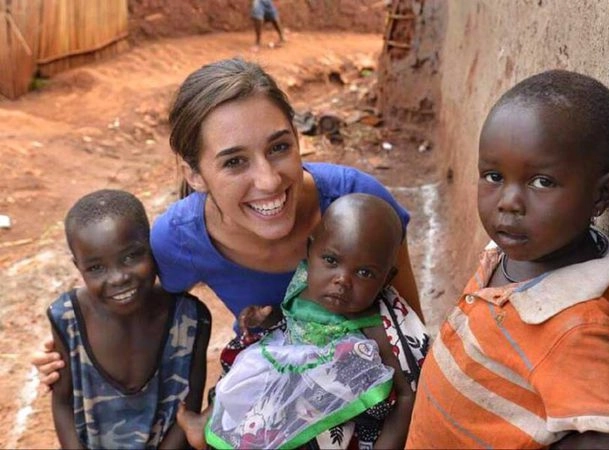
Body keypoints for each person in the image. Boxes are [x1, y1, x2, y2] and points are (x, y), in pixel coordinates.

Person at [33, 58, 422, 402]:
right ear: (194, 174)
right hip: (272, 392)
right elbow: (134, 302)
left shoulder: (361, 208)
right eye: (234, 162)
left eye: (279, 148)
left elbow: (412, 326)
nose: (268, 181)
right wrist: (71, 341)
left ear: (297, 137)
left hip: (371, 391)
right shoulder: (180, 240)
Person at [405, 69, 609, 449]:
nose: (508, 202)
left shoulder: (572, 328)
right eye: (493, 176)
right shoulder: (508, 253)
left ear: (602, 194)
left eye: (542, 182)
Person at [177, 193, 429, 449]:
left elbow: (407, 396)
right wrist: (266, 318)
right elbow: (292, 320)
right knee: (243, 368)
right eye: (331, 260)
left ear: (387, 278)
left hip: (332, 413)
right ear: (310, 250)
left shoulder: (377, 327)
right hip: (286, 375)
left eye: (364, 272)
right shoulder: (305, 284)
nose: (342, 280)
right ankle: (206, 423)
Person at [47, 189, 212, 449]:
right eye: (96, 267)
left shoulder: (190, 319)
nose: (118, 278)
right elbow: (62, 403)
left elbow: (187, 410)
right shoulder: (67, 318)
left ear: (151, 246)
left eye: (130, 256)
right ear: (78, 266)